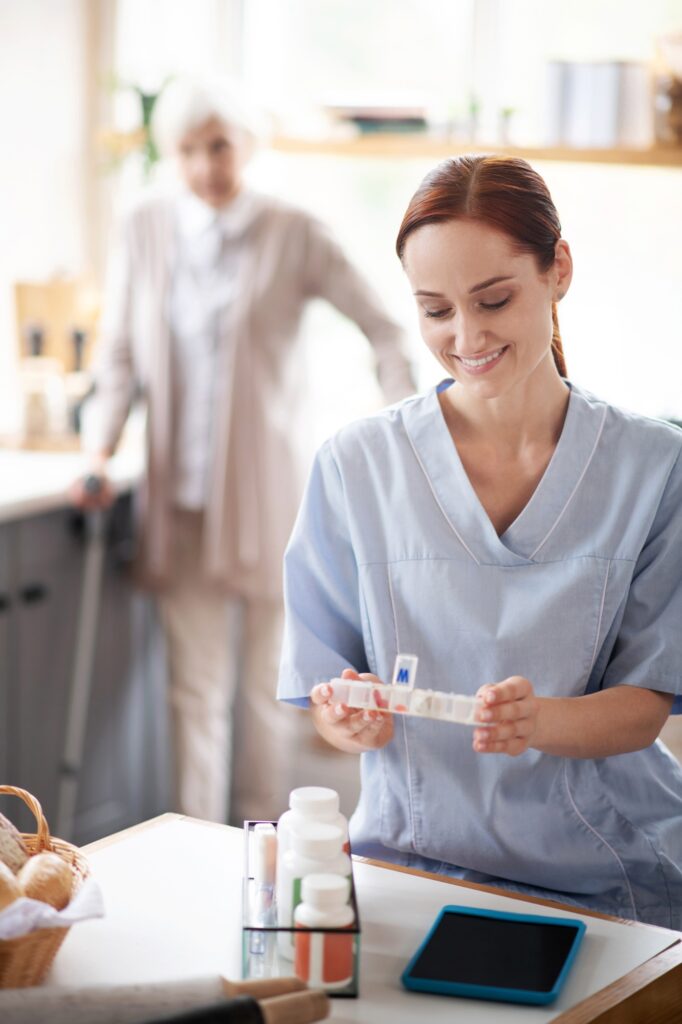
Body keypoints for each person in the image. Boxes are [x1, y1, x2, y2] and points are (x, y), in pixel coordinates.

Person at [277, 154, 682, 929]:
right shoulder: (356, 465)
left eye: (493, 299)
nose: (466, 336)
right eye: (435, 310)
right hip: (410, 866)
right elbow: (325, 691)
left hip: (608, 877)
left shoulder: (654, 467)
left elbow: (645, 705)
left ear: (558, 269)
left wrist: (539, 723)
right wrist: (347, 718)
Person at [74, 77, 416, 826]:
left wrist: (406, 433)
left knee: (270, 686)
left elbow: (385, 326)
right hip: (181, 502)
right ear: (172, 154)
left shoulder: (294, 229)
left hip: (271, 502)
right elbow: (120, 357)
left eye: (220, 145)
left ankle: (262, 841)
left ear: (247, 146)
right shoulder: (144, 227)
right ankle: (196, 841)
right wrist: (97, 448)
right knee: (192, 693)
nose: (206, 165)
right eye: (189, 150)